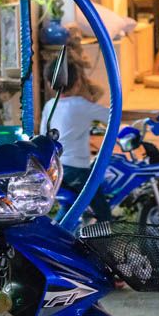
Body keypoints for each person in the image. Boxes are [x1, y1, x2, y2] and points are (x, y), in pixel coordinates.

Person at [40, 37, 112, 219]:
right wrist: (149, 115)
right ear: (78, 82)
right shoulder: (81, 105)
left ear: (50, 84)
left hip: (55, 169)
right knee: (103, 212)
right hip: (76, 170)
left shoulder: (49, 105)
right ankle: (106, 243)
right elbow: (113, 115)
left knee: (69, 209)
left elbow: (43, 136)